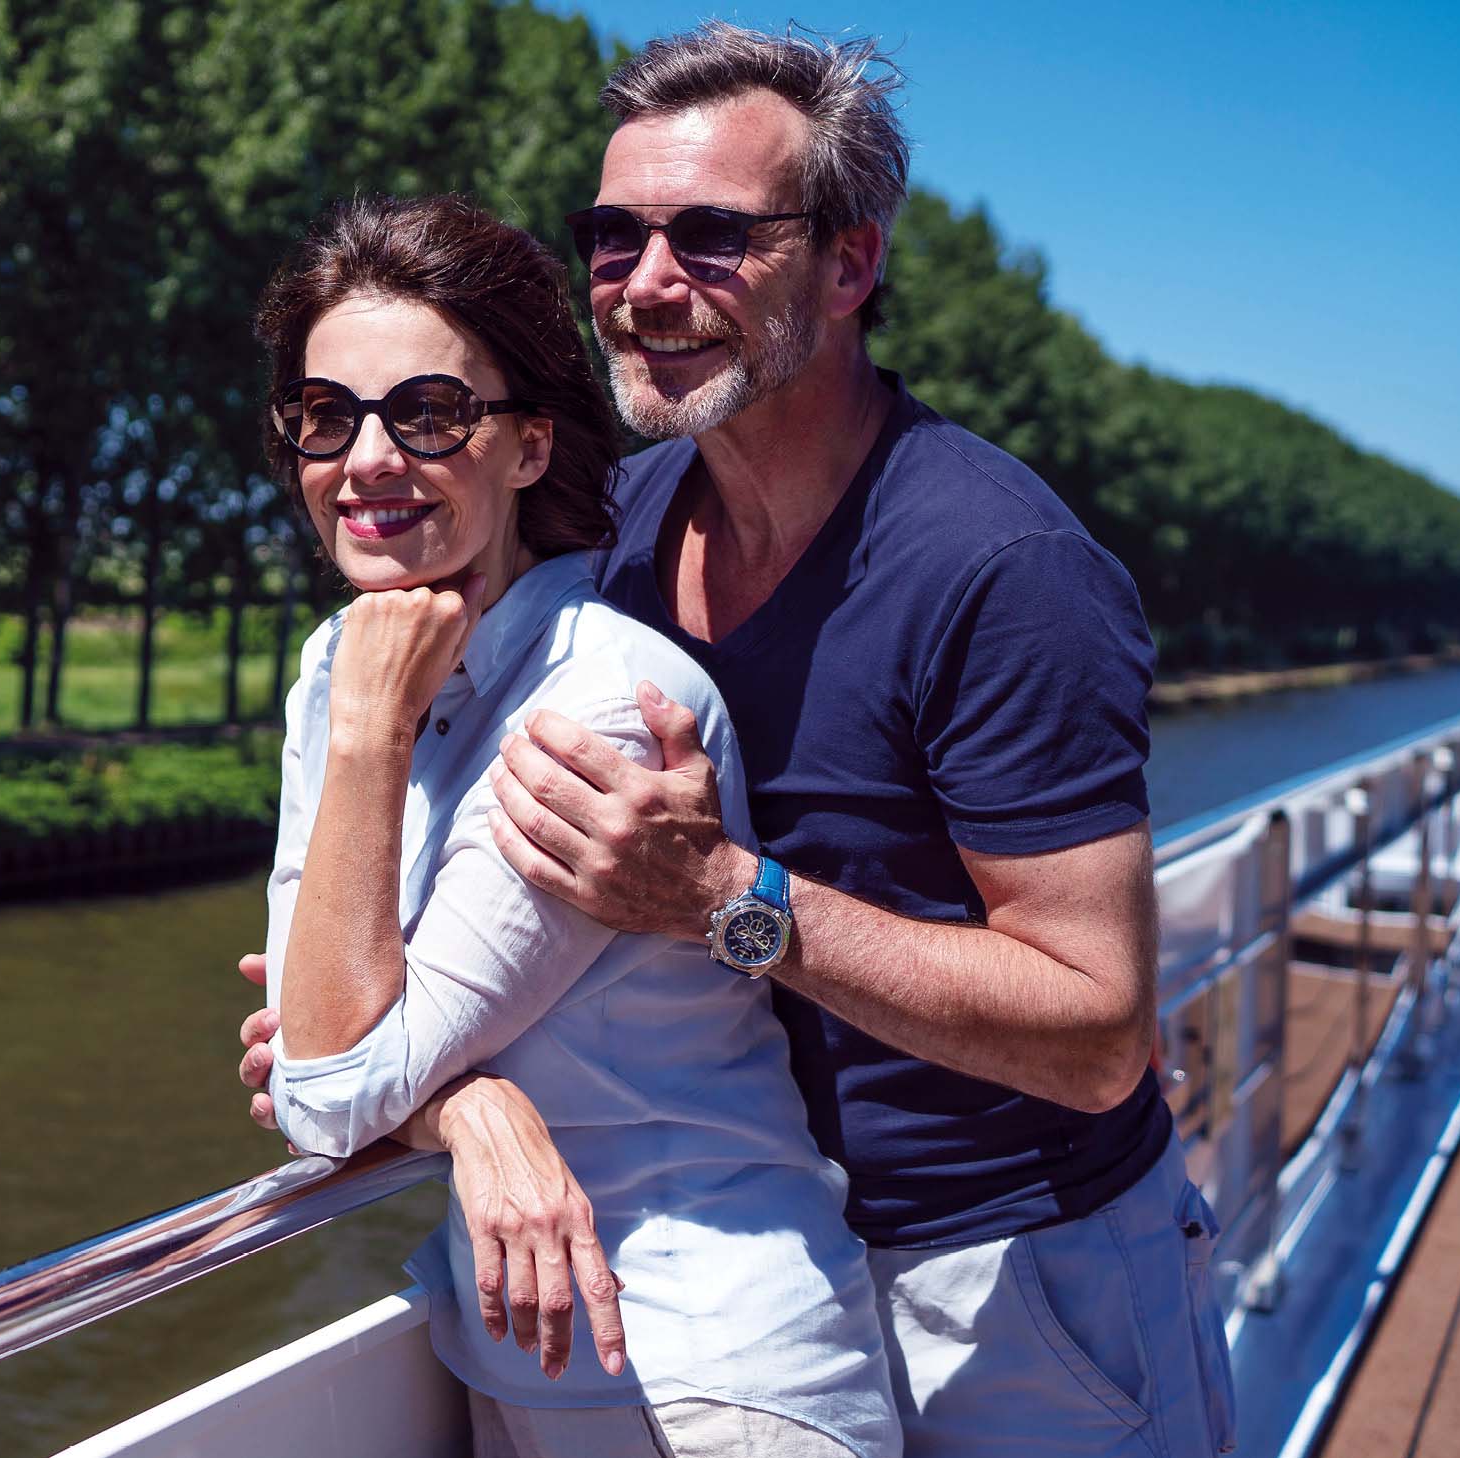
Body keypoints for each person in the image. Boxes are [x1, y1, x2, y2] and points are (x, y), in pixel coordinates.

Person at [238, 23, 1235, 1458]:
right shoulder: (621, 538)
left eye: (713, 237)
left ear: (847, 266)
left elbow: (1096, 1036)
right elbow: (355, 1032)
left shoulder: (997, 568)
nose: (648, 284)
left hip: (1015, 1273)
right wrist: (465, 1100)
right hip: (761, 1247)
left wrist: (723, 898)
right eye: (613, 236)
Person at [247, 192, 897, 1458]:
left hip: (715, 1377)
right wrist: (469, 1111)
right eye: (327, 417)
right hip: (521, 1369)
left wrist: (375, 738)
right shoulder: (337, 667)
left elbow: (323, 1087)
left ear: (529, 447)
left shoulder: (600, 708)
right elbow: (313, 1034)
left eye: (429, 414)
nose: (367, 459)